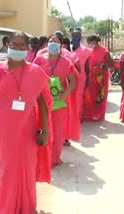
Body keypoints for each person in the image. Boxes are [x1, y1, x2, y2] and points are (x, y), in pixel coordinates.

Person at [0, 32, 50, 214]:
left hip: (27, 129)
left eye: (22, 45)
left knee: (27, 170)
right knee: (7, 170)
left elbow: (43, 102)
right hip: (5, 130)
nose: (18, 48)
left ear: (28, 49)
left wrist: (45, 130)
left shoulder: (35, 71)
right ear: (7, 45)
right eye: (14, 44)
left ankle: (26, 207)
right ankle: (7, 207)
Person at [33, 33, 78, 167]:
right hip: (42, 101)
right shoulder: (39, 60)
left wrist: (66, 93)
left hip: (59, 101)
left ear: (61, 45)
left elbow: (73, 81)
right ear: (47, 43)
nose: (53, 43)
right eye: (51, 41)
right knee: (42, 127)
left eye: (56, 41)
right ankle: (42, 159)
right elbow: (32, 77)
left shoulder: (66, 62)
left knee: (58, 132)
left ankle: (54, 159)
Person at [82, 35, 113, 121]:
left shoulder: (104, 50)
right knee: (91, 96)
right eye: (89, 43)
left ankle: (100, 115)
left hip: (101, 77)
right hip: (91, 76)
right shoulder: (88, 51)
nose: (90, 44)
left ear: (96, 41)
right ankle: (91, 115)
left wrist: (102, 66)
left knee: (101, 96)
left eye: (92, 42)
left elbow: (111, 63)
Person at [71, 30, 91, 120]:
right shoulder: (68, 49)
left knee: (78, 97)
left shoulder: (85, 51)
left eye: (77, 37)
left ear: (80, 38)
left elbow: (87, 66)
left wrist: (88, 79)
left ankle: (78, 116)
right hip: (69, 77)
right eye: (74, 36)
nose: (75, 38)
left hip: (81, 78)